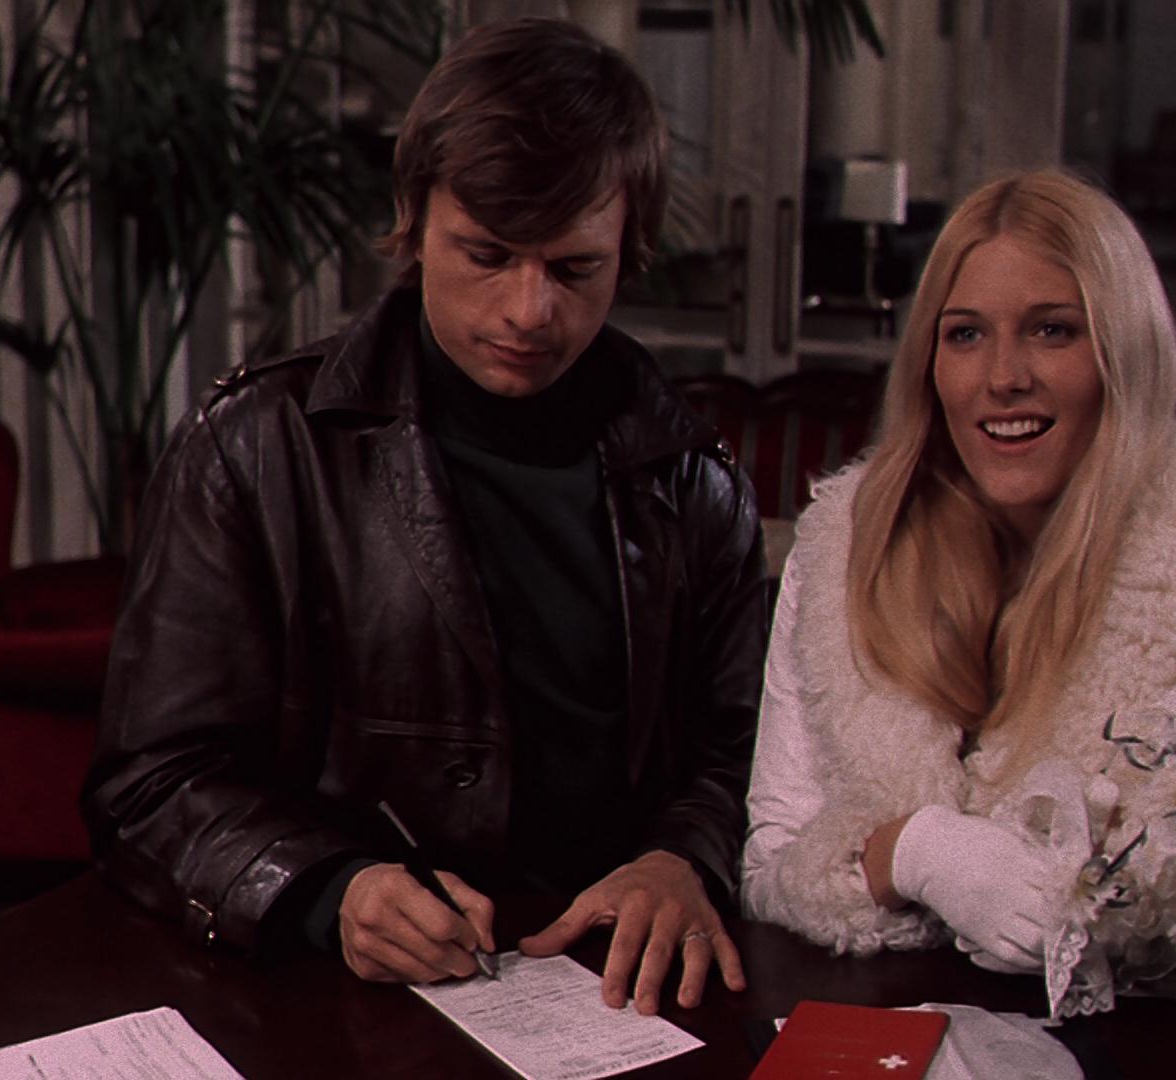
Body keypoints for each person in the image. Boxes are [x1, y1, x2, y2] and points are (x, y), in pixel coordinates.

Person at [82, 16, 767, 1017]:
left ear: (630, 251)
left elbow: (744, 752)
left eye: (573, 269)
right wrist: (332, 890)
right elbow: (149, 782)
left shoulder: (695, 480)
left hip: (614, 992)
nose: (528, 311)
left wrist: (684, 858)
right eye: (487, 254)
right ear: (413, 221)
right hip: (331, 993)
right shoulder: (256, 446)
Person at [740, 169, 1176, 1069]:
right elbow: (771, 869)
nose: (1004, 378)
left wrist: (1169, 925)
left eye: (1052, 330)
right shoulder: (843, 552)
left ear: (1121, 355)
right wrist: (915, 852)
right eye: (965, 334)